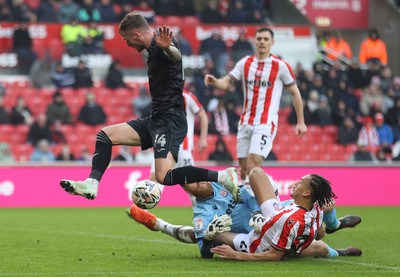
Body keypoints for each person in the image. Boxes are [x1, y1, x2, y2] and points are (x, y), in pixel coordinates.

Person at [59, 12, 239, 201]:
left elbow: (175, 55)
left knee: (163, 177)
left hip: (170, 121)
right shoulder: (153, 48)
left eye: (127, 39)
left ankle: (224, 176)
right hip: (157, 119)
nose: (127, 44)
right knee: (105, 136)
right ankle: (92, 184)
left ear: (136, 34)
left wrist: (167, 47)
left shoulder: (164, 43)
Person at [128, 169, 361, 259]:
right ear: (188, 191)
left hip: (268, 222)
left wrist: (261, 212)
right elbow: (205, 246)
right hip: (253, 238)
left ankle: (334, 224)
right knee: (201, 235)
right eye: (190, 186)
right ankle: (158, 224)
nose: (196, 185)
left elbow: (259, 182)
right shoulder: (202, 212)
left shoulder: (225, 182)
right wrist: (210, 234)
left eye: (196, 180)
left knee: (323, 219)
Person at [204, 27, 307, 184]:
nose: (262, 42)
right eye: (259, 39)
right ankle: (253, 199)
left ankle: (263, 199)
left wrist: (301, 122)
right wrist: (215, 81)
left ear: (272, 42)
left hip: (265, 123)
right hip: (245, 122)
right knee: (244, 169)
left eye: (266, 39)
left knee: (253, 164)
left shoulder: (280, 66)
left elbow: (295, 93)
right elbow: (226, 82)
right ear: (255, 41)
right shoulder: (245, 63)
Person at [208, 167, 360, 261]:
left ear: (306, 193)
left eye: (300, 182)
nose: (295, 183)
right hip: (278, 223)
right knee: (255, 172)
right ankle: (335, 226)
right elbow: (319, 232)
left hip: (258, 242)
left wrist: (237, 255)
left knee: (213, 234)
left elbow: (273, 256)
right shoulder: (315, 206)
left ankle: (338, 250)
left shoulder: (290, 219)